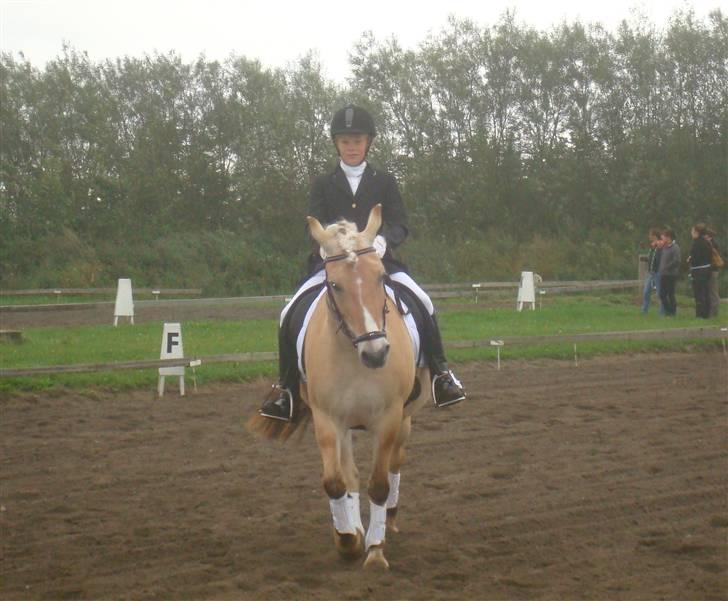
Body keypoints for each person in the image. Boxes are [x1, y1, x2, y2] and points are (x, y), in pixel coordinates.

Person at [259, 104, 465, 422]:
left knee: (423, 302)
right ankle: (286, 389)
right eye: (345, 141)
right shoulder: (323, 184)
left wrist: (383, 241)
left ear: (369, 142)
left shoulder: (384, 180)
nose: (351, 147)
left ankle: (440, 374)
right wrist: (328, 244)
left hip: (379, 264)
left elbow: (400, 223)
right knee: (289, 312)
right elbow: (311, 225)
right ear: (336, 144)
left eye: (357, 140)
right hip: (333, 267)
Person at [687, 223, 713, 319]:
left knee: (699, 293)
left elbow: (696, 258)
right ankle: (706, 313)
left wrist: (690, 259)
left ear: (697, 232)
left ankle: (700, 314)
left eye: (693, 231)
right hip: (707, 270)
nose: (691, 233)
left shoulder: (697, 243)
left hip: (699, 271)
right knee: (705, 292)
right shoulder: (707, 242)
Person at [658, 228, 680, 317]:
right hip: (663, 274)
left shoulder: (675, 247)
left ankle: (673, 312)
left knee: (671, 294)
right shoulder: (664, 248)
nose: (662, 239)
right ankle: (668, 310)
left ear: (668, 237)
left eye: (663, 237)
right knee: (662, 294)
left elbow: (677, 261)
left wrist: (667, 267)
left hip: (671, 274)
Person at [641, 228, 663, 314]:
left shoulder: (660, 245)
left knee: (660, 293)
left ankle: (662, 312)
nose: (649, 237)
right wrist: (647, 259)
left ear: (654, 236)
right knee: (646, 292)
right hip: (651, 272)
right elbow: (653, 258)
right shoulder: (652, 247)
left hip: (658, 272)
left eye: (650, 235)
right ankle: (644, 311)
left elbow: (660, 257)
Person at [705, 228, 721, 318]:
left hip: (713, 270)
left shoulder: (713, 245)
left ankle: (714, 313)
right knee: (710, 292)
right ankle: (711, 312)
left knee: (713, 292)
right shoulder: (711, 244)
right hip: (711, 270)